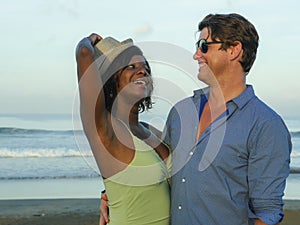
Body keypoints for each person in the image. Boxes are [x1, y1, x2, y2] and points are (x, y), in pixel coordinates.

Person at [100, 13, 292, 225]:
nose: (196, 55)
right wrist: (111, 194)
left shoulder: (266, 125)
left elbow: (267, 213)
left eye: (204, 45)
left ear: (234, 50)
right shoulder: (181, 112)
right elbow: (160, 172)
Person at [75, 33, 171, 225]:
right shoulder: (105, 129)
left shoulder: (150, 131)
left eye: (146, 68)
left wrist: (106, 193)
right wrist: (91, 39)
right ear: (111, 79)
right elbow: (84, 53)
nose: (142, 71)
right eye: (131, 67)